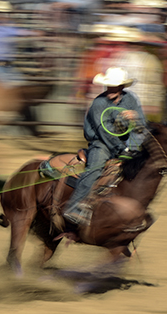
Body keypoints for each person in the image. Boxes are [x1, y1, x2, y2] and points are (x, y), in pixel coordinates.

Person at [61, 66, 148, 227]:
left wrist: (135, 119)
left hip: (125, 143)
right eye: (109, 86)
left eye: (114, 87)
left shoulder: (131, 99)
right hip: (101, 144)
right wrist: (124, 150)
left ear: (122, 87)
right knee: (95, 169)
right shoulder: (99, 104)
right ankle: (73, 207)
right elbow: (105, 133)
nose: (110, 90)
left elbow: (142, 125)